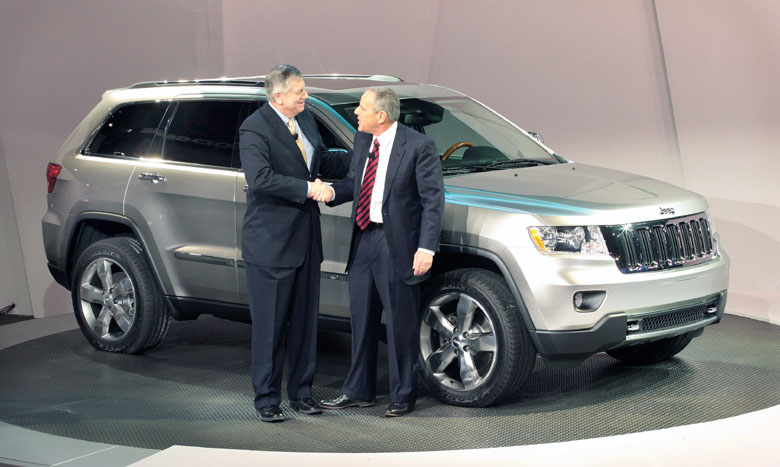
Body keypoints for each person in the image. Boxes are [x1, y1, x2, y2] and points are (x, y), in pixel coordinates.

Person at [316, 87, 444, 417]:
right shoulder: (363, 142)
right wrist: (330, 191)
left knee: (400, 324)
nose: (356, 112)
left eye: (362, 107)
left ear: (381, 116)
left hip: (396, 244)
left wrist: (426, 248)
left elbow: (432, 201)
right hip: (363, 240)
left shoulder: (418, 146)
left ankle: (403, 395)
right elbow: (354, 184)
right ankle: (359, 391)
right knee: (361, 319)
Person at [239, 64, 348, 423]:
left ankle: (302, 393)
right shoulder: (255, 127)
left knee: (304, 326)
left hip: (306, 243)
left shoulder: (307, 121)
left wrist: (363, 154)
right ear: (278, 96)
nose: (305, 96)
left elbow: (320, 159)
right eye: (300, 91)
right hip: (271, 245)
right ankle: (267, 399)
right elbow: (261, 179)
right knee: (270, 328)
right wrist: (308, 189)